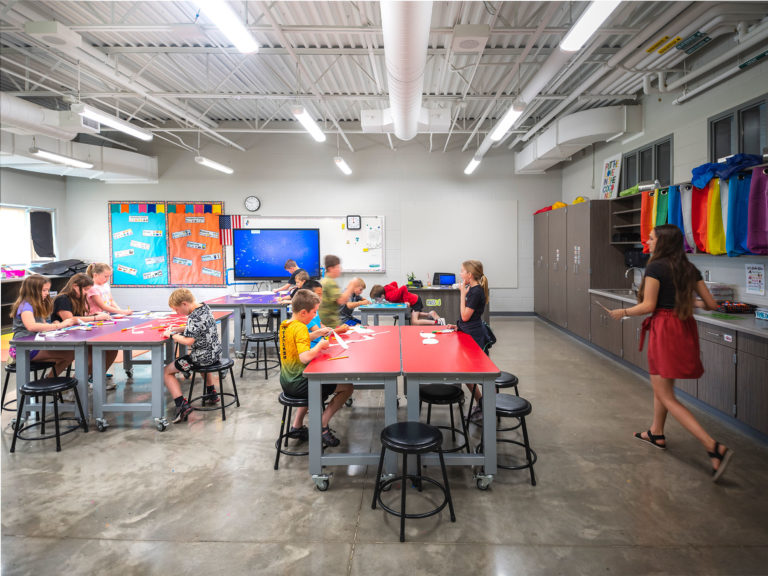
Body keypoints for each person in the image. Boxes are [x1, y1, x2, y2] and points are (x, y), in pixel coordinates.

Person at [608, 224, 733, 482]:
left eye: (652, 239)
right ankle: (656, 432)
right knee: (662, 387)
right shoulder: (689, 268)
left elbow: (648, 306)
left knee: (666, 395)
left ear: (663, 243)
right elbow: (710, 304)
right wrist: (684, 300)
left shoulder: (655, 267)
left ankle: (713, 447)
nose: (648, 242)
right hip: (684, 327)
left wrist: (623, 312)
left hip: (664, 329)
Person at [279, 288, 353, 447]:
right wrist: (319, 346)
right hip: (300, 384)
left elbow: (299, 339)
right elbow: (304, 357)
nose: (315, 316)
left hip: (287, 381)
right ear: (304, 312)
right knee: (347, 387)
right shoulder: (299, 328)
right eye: (314, 312)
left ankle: (297, 426)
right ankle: (322, 425)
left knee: (315, 386)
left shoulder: (286, 324)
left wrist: (318, 332)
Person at [162, 289, 222, 424]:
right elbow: (201, 327)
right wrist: (181, 329)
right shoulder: (204, 307)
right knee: (198, 361)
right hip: (215, 353)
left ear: (184, 304)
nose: (177, 313)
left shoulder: (193, 317)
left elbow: (189, 341)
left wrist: (171, 335)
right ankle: (211, 393)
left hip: (202, 358)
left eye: (177, 310)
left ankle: (181, 406)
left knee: (166, 371)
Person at [53, 273, 118, 387]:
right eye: (85, 289)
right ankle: (75, 385)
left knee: (111, 349)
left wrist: (94, 315)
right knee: (93, 356)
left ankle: (94, 376)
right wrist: (94, 317)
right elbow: (70, 320)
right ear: (74, 286)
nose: (87, 292)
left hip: (79, 335)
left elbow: (81, 318)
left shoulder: (78, 299)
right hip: (66, 338)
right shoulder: (62, 299)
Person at [8, 274, 75, 376]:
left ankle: (49, 381)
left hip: (34, 345)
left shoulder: (37, 305)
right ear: (32, 290)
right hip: (22, 348)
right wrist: (59, 326)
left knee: (70, 354)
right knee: (70, 354)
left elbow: (42, 326)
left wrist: (52, 324)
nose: (47, 293)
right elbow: (31, 326)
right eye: (44, 290)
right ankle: (48, 382)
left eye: (47, 290)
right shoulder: (25, 305)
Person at [453, 260, 490, 423]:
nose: (460, 274)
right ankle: (483, 403)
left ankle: (488, 406)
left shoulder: (475, 292)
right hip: (469, 331)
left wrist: (462, 294)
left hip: (474, 336)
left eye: (462, 271)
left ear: (469, 275)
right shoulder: (474, 290)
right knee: (468, 374)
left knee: (480, 373)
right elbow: (467, 319)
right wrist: (458, 326)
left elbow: (465, 316)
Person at [369, 281, 443, 325]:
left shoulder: (391, 296)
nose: (376, 301)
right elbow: (394, 283)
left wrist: (405, 301)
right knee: (414, 315)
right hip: (415, 298)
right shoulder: (385, 288)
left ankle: (436, 322)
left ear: (382, 295)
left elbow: (404, 287)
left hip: (414, 301)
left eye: (376, 299)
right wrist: (398, 294)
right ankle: (430, 314)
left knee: (414, 322)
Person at [319, 255, 360, 329]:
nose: (340, 269)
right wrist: (352, 285)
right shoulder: (329, 282)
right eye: (338, 267)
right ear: (330, 268)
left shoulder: (325, 280)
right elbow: (341, 300)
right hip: (330, 322)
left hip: (327, 320)